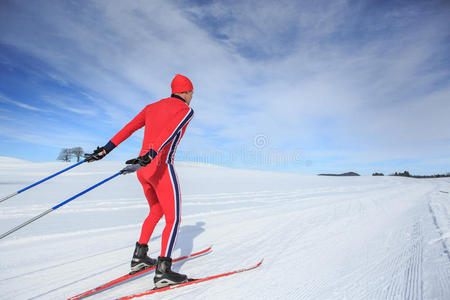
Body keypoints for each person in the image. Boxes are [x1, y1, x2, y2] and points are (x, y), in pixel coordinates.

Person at [85, 74, 195, 288]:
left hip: (142, 169)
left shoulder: (151, 107)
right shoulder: (186, 110)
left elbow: (129, 127)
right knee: (173, 219)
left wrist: (106, 150)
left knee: (156, 211)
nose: (192, 97)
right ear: (187, 92)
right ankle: (163, 271)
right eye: (192, 93)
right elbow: (170, 131)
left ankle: (139, 258)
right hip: (160, 167)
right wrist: (153, 153)